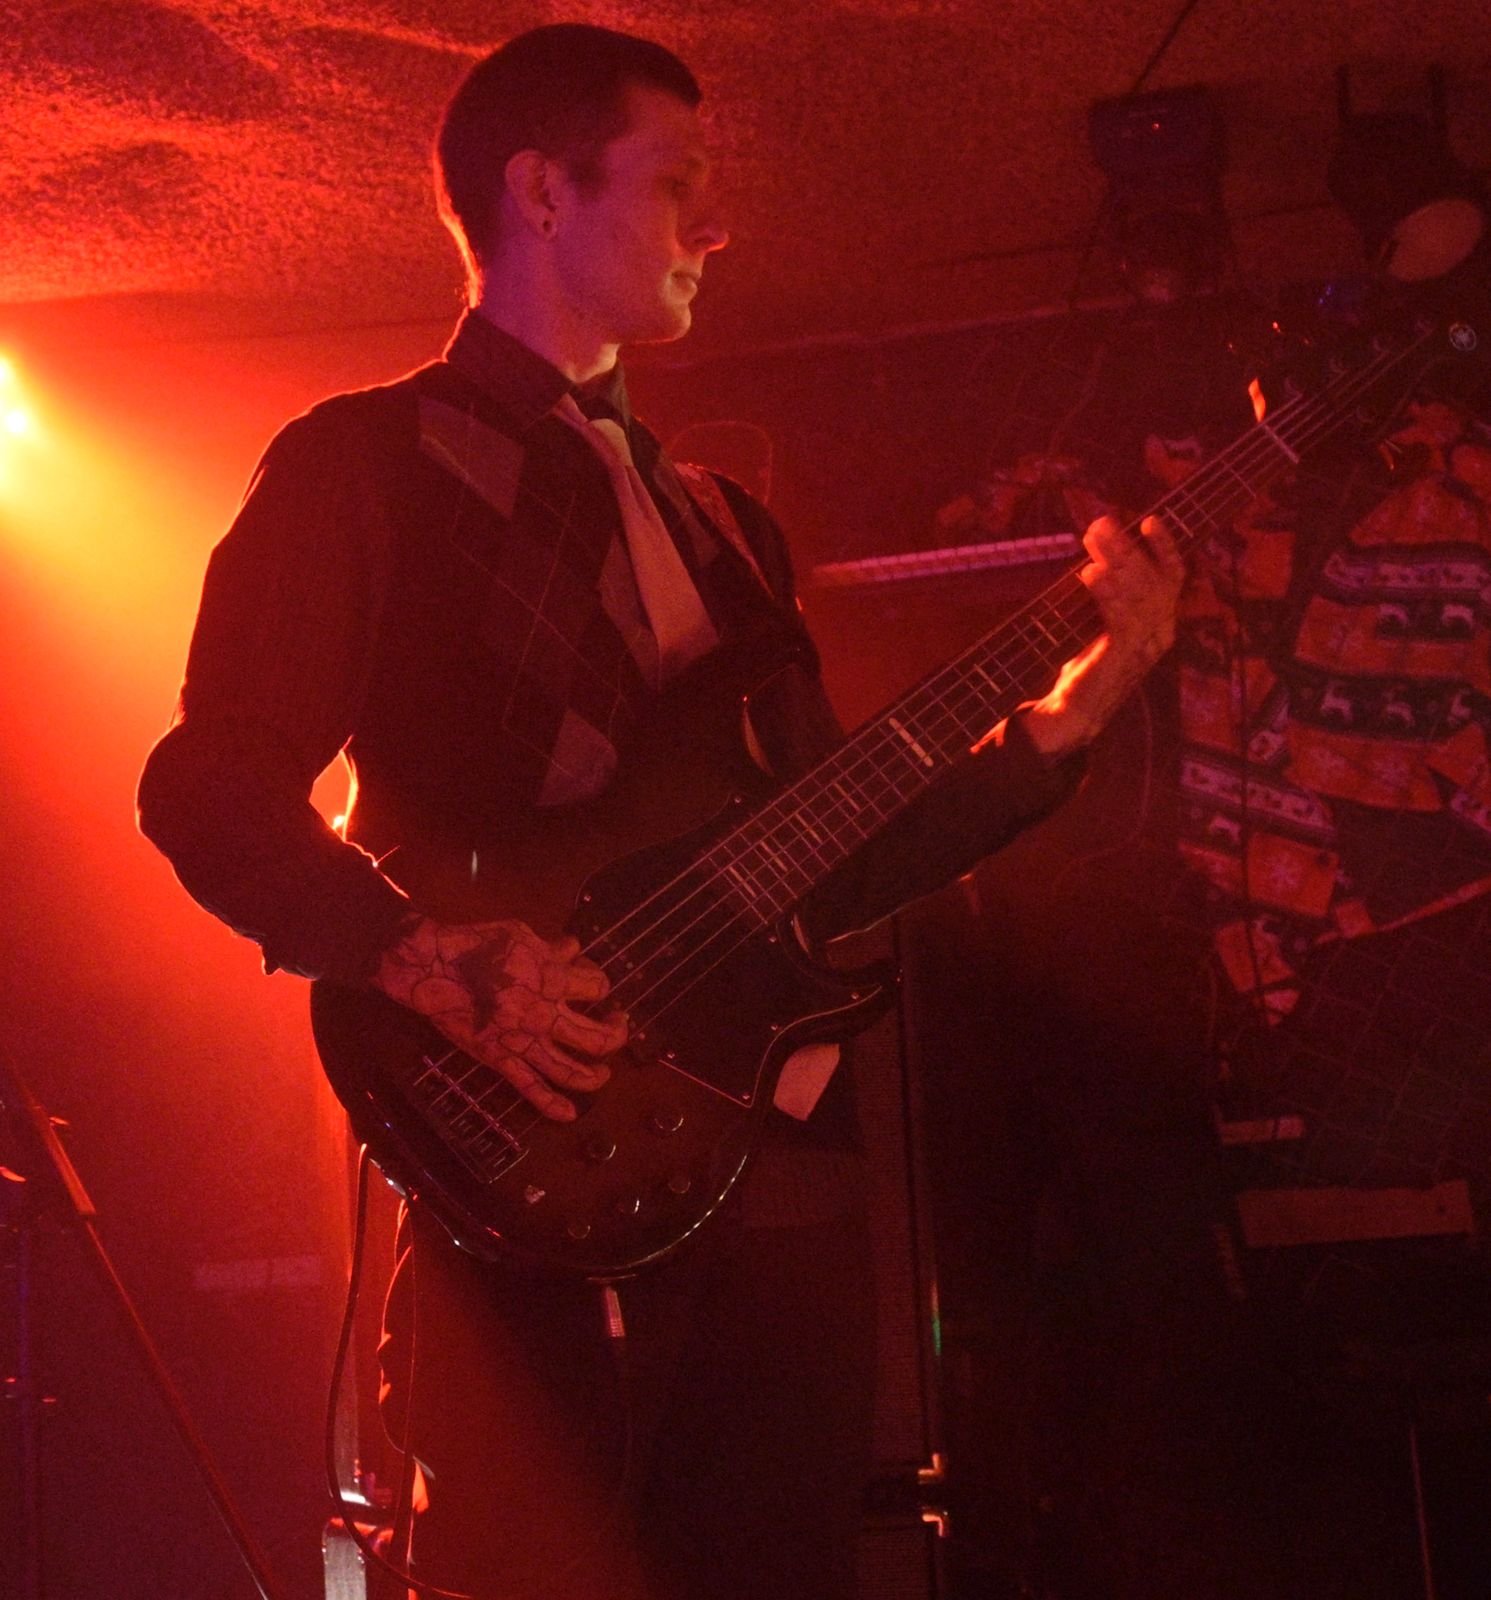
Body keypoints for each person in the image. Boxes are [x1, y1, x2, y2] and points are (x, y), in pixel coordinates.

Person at [137, 23, 1183, 1600]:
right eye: (678, 180)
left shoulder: (724, 524)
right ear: (543, 194)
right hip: (535, 1159)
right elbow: (208, 783)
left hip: (779, 1179)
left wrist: (1080, 711)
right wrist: (425, 957)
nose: (717, 223)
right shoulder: (367, 465)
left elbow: (834, 853)